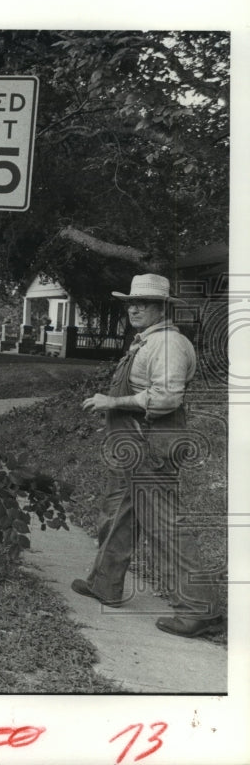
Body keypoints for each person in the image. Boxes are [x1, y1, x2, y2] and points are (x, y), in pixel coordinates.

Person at [73, 273, 221, 638]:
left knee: (164, 527)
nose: (134, 307)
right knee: (119, 514)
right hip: (134, 448)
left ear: (162, 308)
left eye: (144, 302)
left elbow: (168, 397)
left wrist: (114, 401)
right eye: (130, 302)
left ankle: (200, 609)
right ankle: (105, 583)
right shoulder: (148, 342)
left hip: (151, 447)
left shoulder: (168, 344)